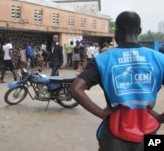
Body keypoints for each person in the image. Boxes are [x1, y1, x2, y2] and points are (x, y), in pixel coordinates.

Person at [70, 11, 164, 151]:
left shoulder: (103, 59)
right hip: (150, 131)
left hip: (114, 134)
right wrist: (161, 118)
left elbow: (75, 89)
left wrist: (101, 113)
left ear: (116, 31)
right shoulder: (159, 59)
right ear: (139, 31)